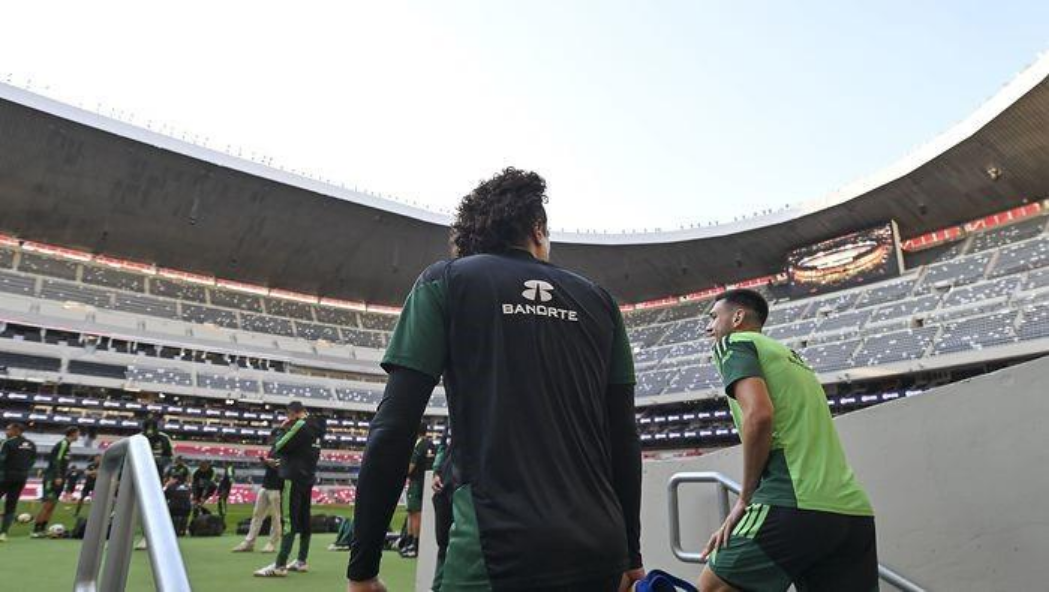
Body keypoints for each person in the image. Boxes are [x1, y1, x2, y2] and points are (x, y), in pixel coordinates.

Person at [347, 168, 644, 592]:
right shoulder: (600, 301)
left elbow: (394, 426)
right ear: (537, 228)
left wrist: (363, 567)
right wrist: (632, 554)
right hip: (600, 551)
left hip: (493, 553)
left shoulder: (446, 281)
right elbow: (623, 435)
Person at [698, 289, 877, 591]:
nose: (709, 327)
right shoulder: (791, 358)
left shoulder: (734, 343)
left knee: (713, 587)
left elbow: (759, 415)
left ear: (737, 318)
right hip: (852, 512)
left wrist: (745, 498)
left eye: (714, 317)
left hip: (793, 499)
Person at [254, 401, 325, 577]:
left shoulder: (299, 424)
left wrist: (283, 429)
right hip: (307, 477)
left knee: (289, 520)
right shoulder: (317, 427)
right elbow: (304, 453)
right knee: (304, 519)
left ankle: (280, 565)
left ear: (292, 413)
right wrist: (281, 463)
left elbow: (278, 445)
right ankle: (301, 560)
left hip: (293, 479)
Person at [233, 427, 284, 553]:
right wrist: (267, 463)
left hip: (277, 486)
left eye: (275, 436)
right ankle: (249, 542)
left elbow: (283, 466)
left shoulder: (285, 449)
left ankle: (272, 543)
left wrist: (273, 463)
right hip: (266, 484)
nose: (272, 439)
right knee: (257, 514)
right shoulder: (274, 448)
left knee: (276, 517)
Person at [32, 426, 79, 538]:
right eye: (78, 433)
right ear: (73, 433)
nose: (78, 436)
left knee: (53, 505)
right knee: (48, 504)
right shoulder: (63, 444)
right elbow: (56, 460)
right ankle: (35, 530)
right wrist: (57, 476)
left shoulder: (68, 446)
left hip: (60, 479)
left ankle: (43, 529)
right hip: (52, 478)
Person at [1, 422, 37, 542]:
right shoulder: (31, 444)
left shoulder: (8, 443)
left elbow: (1, 459)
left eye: (8, 429)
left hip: (5, 477)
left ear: (16, 430)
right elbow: (32, 461)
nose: (6, 432)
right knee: (11, 505)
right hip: (21, 478)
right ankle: (3, 533)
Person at [429, 430, 456, 590]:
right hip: (445, 488)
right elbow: (443, 446)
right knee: (444, 544)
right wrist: (437, 472)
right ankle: (438, 586)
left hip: (467, 488)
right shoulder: (451, 423)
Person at [399, 424, 431, 558]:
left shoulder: (418, 446)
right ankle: (411, 542)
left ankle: (414, 544)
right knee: (414, 513)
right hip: (426, 482)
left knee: (414, 513)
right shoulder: (430, 444)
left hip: (416, 483)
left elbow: (410, 467)